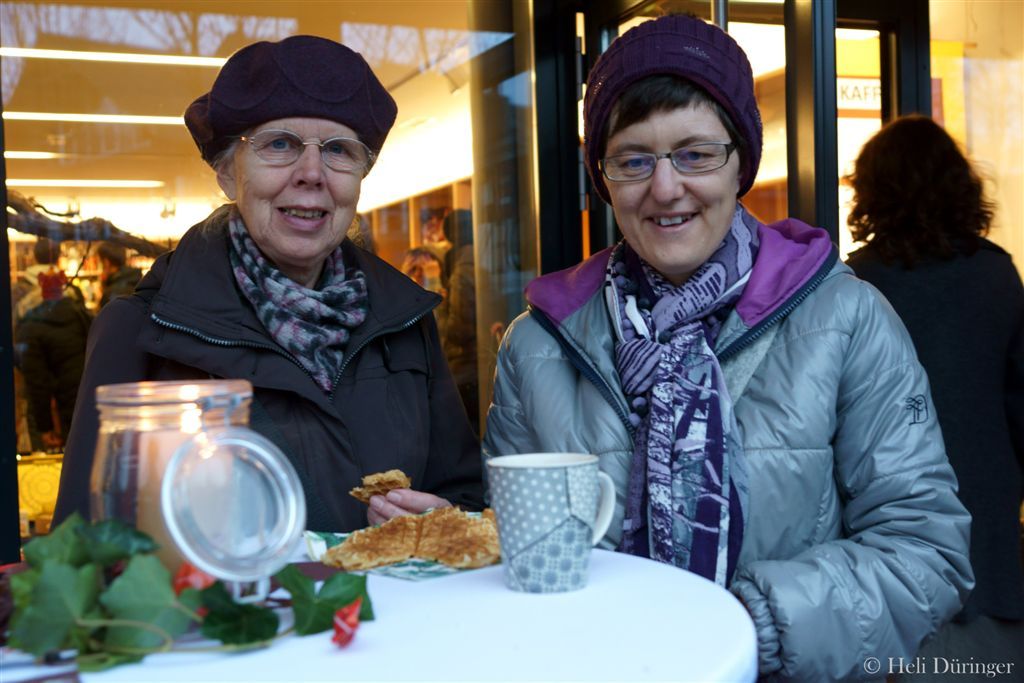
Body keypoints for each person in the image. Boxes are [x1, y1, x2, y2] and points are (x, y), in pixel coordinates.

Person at [483, 15, 973, 681]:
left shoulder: (845, 318)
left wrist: (745, 627)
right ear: (603, 178)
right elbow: (518, 551)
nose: (665, 188)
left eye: (696, 154)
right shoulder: (537, 344)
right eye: (633, 159)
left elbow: (925, 551)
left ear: (741, 160)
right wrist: (464, 539)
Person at [54, 35, 482, 532]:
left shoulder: (405, 323)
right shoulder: (143, 332)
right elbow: (83, 551)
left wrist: (446, 522)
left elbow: (465, 497)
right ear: (227, 173)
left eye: (338, 150)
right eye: (279, 144)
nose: (311, 173)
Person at [846, 115, 1024, 667]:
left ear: (874, 190)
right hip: (987, 501)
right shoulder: (997, 277)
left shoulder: (857, 282)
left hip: (888, 503)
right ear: (958, 186)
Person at [14, 238, 92, 449]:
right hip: (79, 394)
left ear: (32, 257)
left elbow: (36, 378)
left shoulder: (22, 298)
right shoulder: (75, 300)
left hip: (46, 400)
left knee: (49, 456)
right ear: (58, 257)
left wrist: (44, 426)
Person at [440, 209, 479, 434]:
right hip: (472, 366)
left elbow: (459, 329)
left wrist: (439, 311)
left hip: (465, 368)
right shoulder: (473, 260)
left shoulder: (463, 269)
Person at [96, 241, 142, 308]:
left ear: (106, 263)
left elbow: (103, 313)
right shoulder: (137, 280)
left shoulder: (110, 294)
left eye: (100, 262)